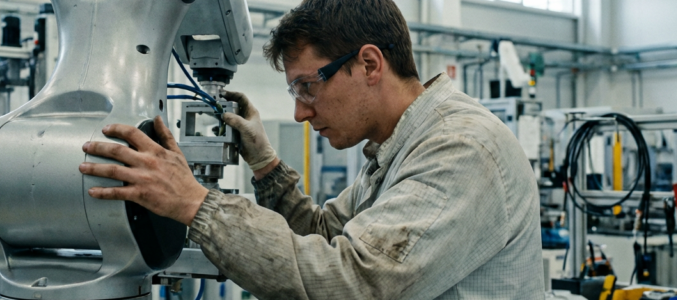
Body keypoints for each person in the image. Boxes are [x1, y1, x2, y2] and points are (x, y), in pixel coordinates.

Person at [78, 0, 544, 298]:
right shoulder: (398, 146)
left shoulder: (460, 148)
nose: (300, 113)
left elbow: (353, 282)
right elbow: (324, 234)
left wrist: (196, 204)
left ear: (369, 64)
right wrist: (266, 165)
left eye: (308, 87)